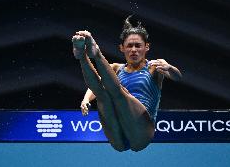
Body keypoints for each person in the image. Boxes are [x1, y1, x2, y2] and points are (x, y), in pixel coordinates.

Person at [71, 16, 182, 152]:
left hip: (141, 132)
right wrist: (86, 99)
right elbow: (95, 87)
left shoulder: (154, 67)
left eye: (138, 46)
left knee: (119, 93)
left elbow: (177, 77)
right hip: (118, 135)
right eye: (129, 46)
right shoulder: (116, 68)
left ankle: (97, 53)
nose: (134, 50)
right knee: (103, 96)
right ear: (122, 48)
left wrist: (169, 67)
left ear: (146, 47)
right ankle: (82, 56)